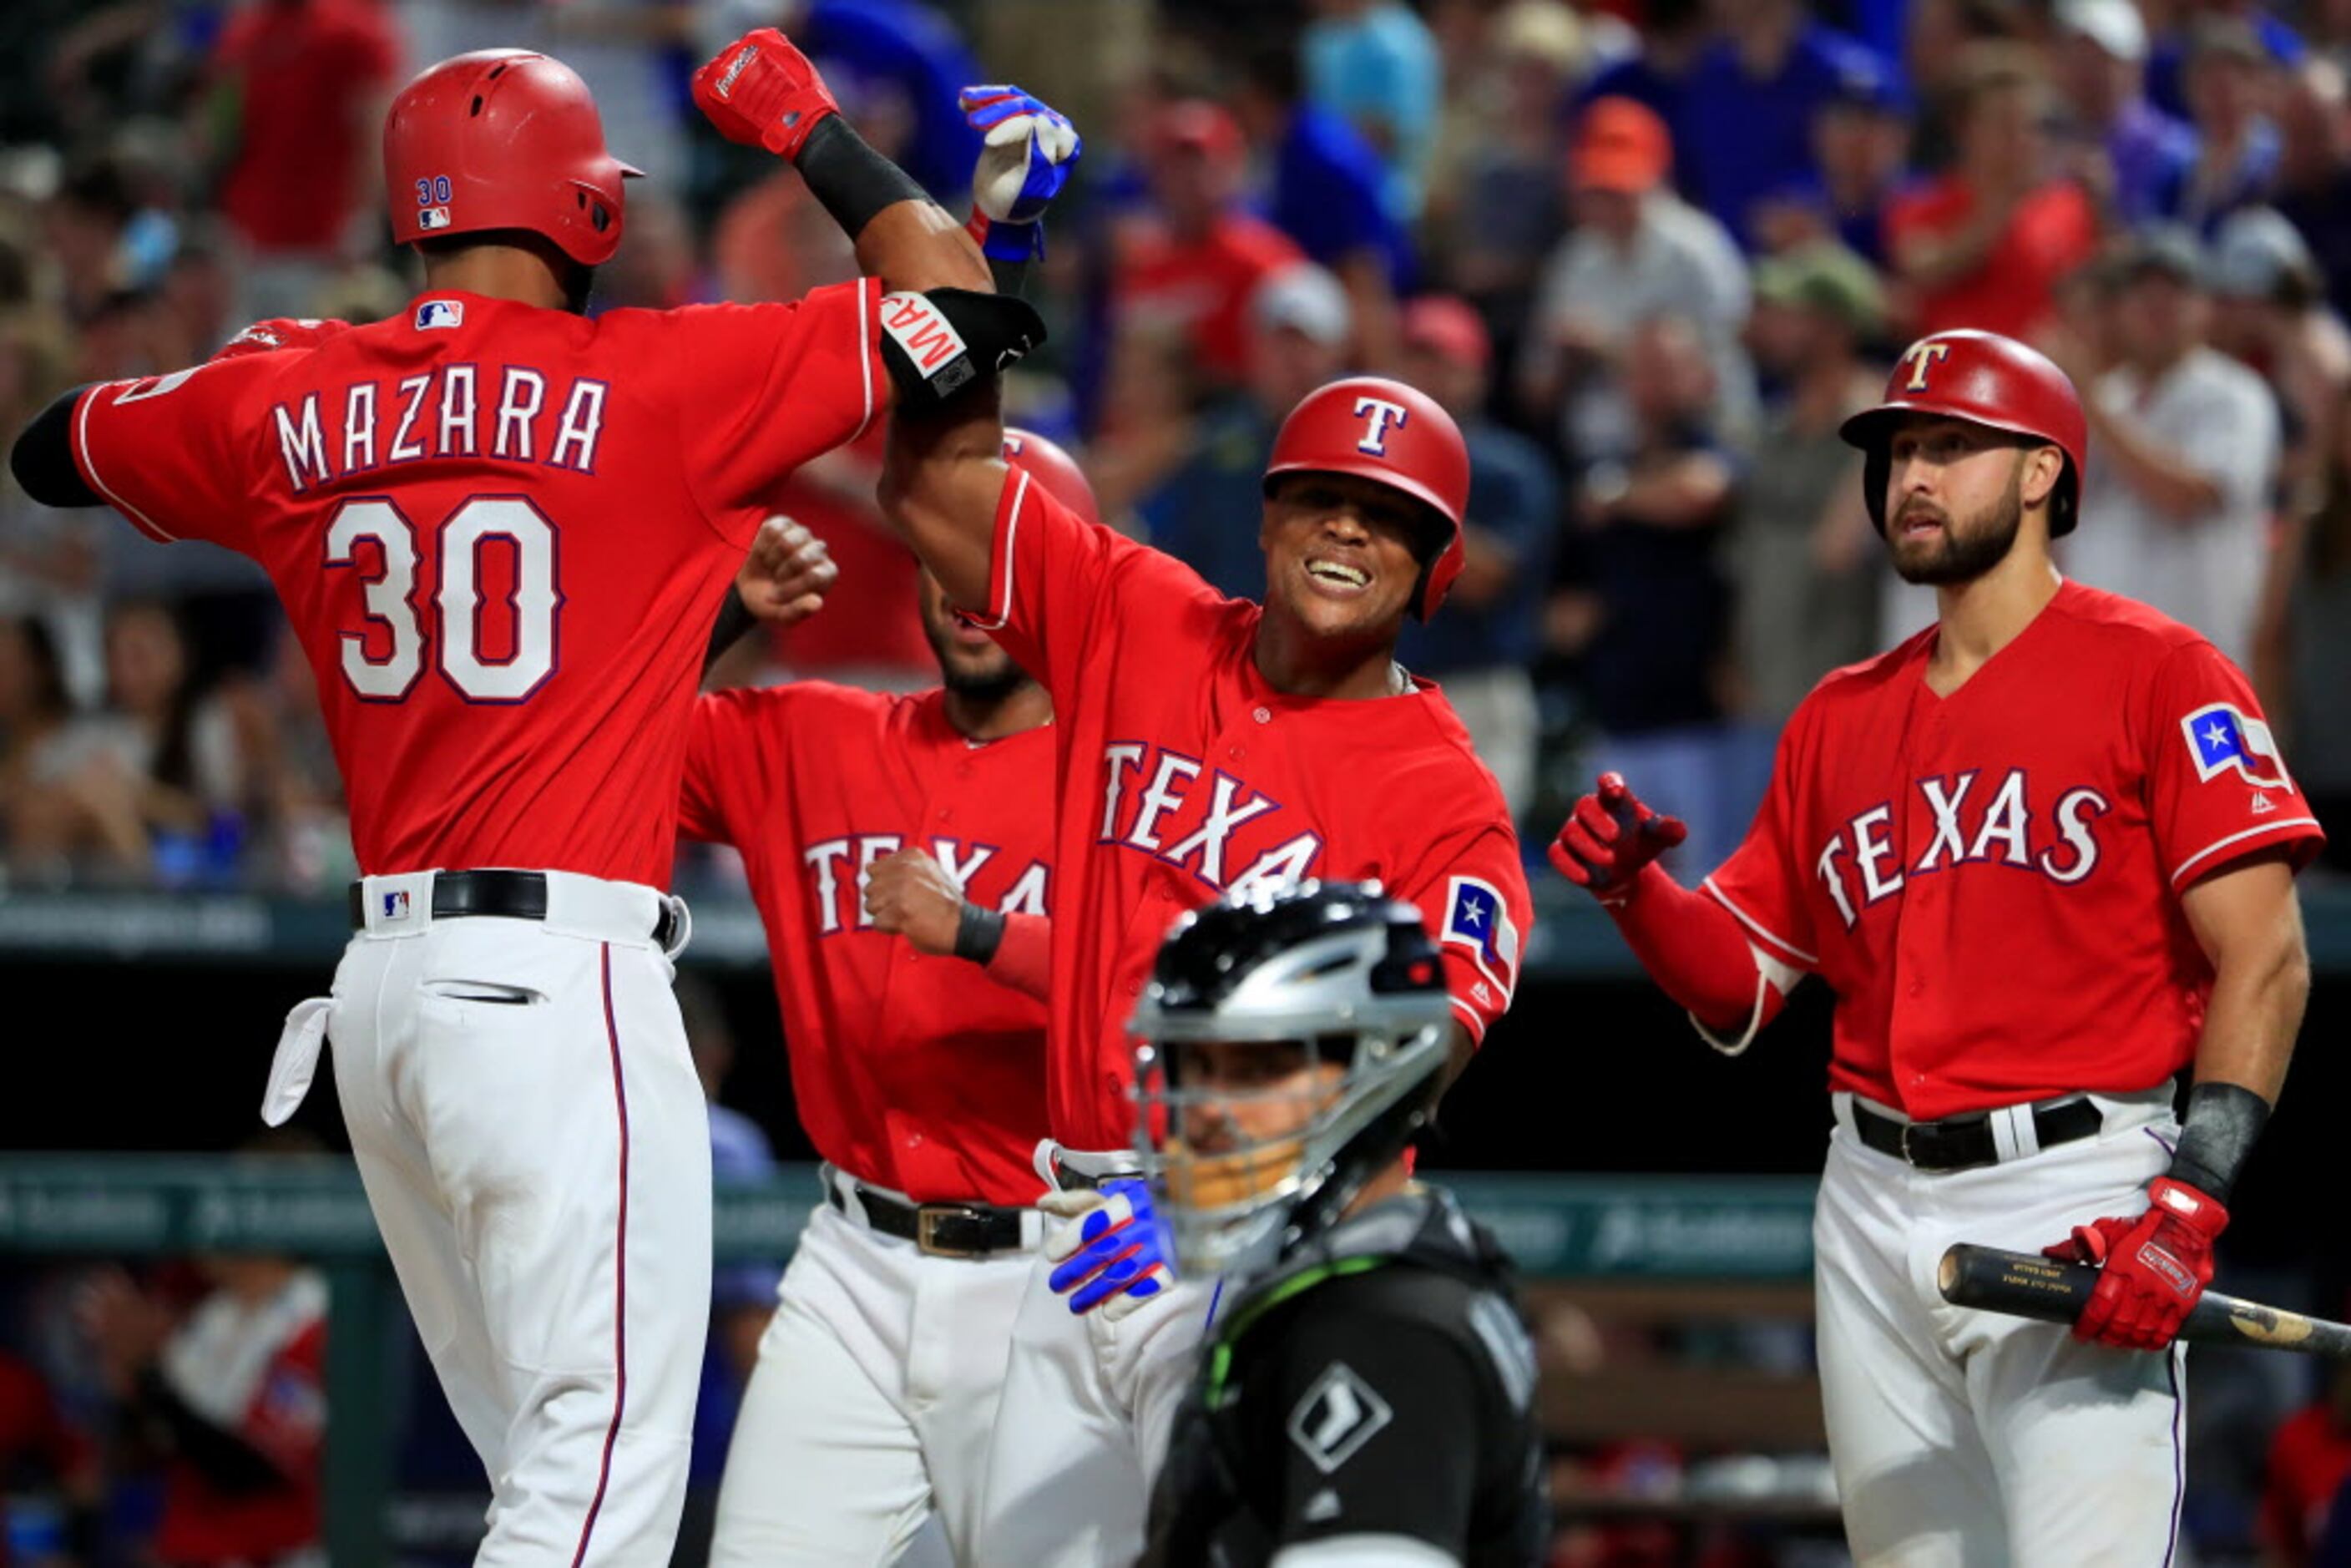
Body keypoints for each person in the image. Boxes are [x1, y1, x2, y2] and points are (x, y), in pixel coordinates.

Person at [7, 28, 1043, 1560]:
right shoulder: (664, 376)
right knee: (596, 1478)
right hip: (556, 988)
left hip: (384, 1009)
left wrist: (293, 397)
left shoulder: (285, 389)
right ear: (590, 212)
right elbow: (957, 304)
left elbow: (49, 452)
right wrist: (811, 130)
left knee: (547, 1478)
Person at [1549, 327, 2323, 1565]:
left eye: (1951, 445)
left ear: (2040, 474)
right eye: (1902, 447)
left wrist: (2187, 1204)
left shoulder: (2161, 672)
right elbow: (1741, 987)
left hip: (2076, 1186)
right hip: (1866, 1195)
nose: (1913, 474)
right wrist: (1642, 894)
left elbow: (2269, 956)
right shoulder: (1839, 714)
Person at [877, 334, 1534, 1564]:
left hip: (1252, 1246)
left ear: (1435, 567)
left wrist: (1218, 1195)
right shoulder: (1139, 615)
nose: (1347, 533)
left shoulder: (1445, 797)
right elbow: (925, 491)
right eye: (1323, 500)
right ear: (1269, 517)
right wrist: (985, 282)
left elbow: (1430, 1039)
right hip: (1071, 1227)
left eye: (1387, 519)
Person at [687, 432, 1090, 1567]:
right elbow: (580, 744)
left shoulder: (1133, 783)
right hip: (850, 1264)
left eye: (1002, 556)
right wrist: (721, 619)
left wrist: (981, 934)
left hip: (1056, 1268)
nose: (968, 590)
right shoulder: (809, 735)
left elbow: (1162, 990)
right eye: (942, 551)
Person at [1130, 880, 1548, 1566]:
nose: (1205, 1110)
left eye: (1258, 1069)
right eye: (1197, 1066)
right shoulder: (1351, 1280)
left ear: (1379, 1070)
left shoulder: (1384, 1330)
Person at [2061, 228, 2280, 670]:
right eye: (2141, 294)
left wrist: (2090, 405)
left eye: (2174, 293)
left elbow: (2185, 497)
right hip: (2101, 666)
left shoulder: (2236, 395)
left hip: (2199, 665)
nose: (2155, 307)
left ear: (2206, 308)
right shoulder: (2104, 395)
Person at [1393, 295, 1557, 822]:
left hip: (1479, 690)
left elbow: (1484, 579)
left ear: (1477, 373)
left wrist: (1402, 500)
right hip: (1387, 689)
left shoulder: (1508, 465)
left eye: (1442, 360)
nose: (1426, 373)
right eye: (1415, 358)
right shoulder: (1378, 460)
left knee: (1476, 863)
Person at [1886, 45, 2101, 342]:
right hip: (1953, 378)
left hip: (2035, 375)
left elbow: (2084, 301)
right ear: (1963, 130)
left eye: (2031, 126)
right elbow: (1923, 269)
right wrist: (2004, 204)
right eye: (2004, 123)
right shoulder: (1921, 204)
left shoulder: (2068, 206)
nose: (2022, 140)